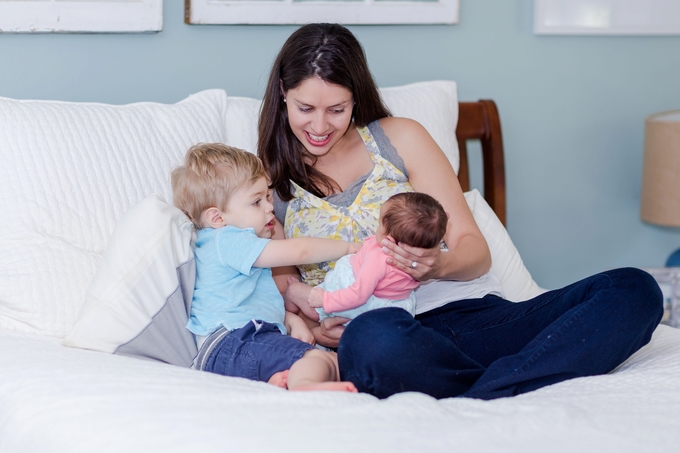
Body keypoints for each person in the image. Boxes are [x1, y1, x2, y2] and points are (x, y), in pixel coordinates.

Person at [257, 23, 664, 400]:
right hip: (389, 337)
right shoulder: (268, 185)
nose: (321, 126)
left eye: (337, 109)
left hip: (476, 318)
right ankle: (518, 382)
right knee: (373, 339)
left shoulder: (400, 138)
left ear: (355, 99)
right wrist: (319, 332)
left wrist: (433, 265)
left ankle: (481, 395)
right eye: (306, 108)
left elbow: (475, 251)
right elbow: (286, 299)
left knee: (633, 289)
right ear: (283, 92)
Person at [171, 142, 359, 393]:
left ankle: (279, 384)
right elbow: (299, 251)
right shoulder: (227, 239)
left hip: (232, 349)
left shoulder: (225, 249)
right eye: (256, 201)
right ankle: (305, 388)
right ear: (217, 218)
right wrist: (348, 249)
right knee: (320, 360)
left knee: (329, 362)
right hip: (235, 342)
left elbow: (252, 304)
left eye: (267, 197)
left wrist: (291, 321)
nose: (270, 207)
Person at [285, 191, 447, 324]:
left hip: (352, 303)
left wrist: (325, 300)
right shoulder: (416, 259)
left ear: (388, 239)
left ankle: (289, 313)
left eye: (379, 225)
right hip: (392, 308)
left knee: (294, 290)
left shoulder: (379, 258)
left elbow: (358, 294)